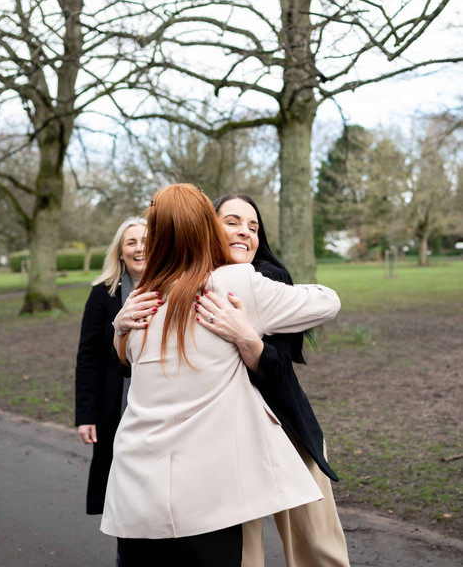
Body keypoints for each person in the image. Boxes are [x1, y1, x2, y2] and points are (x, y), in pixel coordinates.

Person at [101, 183, 341, 567]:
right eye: (231, 221)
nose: (245, 230)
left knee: (315, 546)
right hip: (213, 470)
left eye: (254, 225)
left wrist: (248, 338)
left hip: (275, 432)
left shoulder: (148, 294)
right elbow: (329, 301)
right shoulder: (227, 285)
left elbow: (281, 365)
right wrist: (118, 328)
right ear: (207, 228)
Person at [75, 216, 161, 517]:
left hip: (163, 407)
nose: (140, 249)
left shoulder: (173, 288)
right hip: (116, 407)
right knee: (122, 493)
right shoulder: (102, 294)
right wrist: (85, 415)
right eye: (131, 242)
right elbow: (88, 357)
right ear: (120, 252)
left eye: (146, 241)